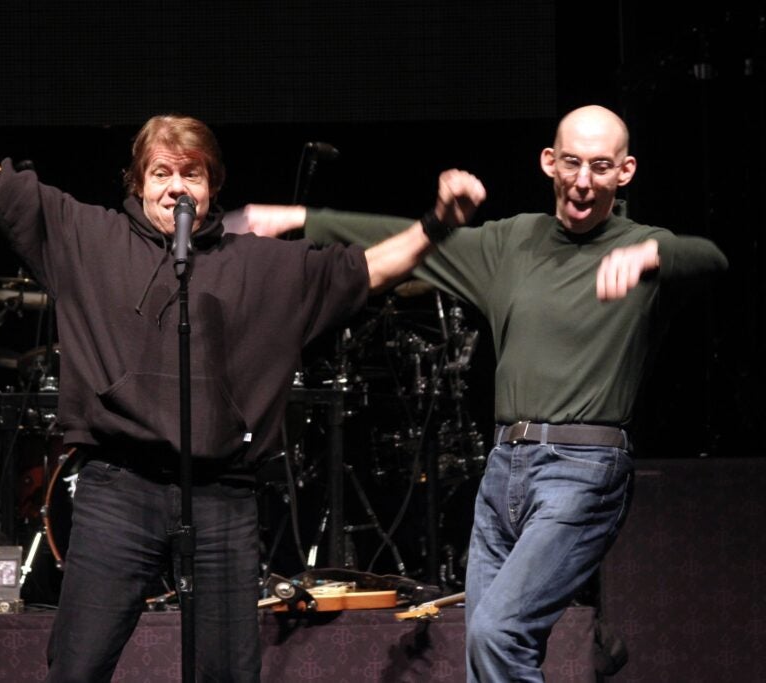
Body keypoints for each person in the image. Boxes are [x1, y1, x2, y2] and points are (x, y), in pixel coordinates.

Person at [0, 39, 485, 682]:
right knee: (77, 666)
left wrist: (437, 223)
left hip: (222, 496)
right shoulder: (88, 237)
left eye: (192, 173)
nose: (177, 187)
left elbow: (368, 269)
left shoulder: (258, 266)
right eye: (162, 172)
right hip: (117, 489)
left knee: (226, 672)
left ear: (211, 187)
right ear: (138, 183)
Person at [232, 105, 729, 681]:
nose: (584, 181)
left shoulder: (644, 245)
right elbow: (404, 238)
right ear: (550, 163)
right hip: (504, 470)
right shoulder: (511, 243)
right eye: (572, 163)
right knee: (487, 640)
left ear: (625, 172)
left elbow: (712, 258)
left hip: (583, 471)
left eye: (600, 166)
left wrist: (652, 255)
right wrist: (297, 216)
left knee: (499, 632)